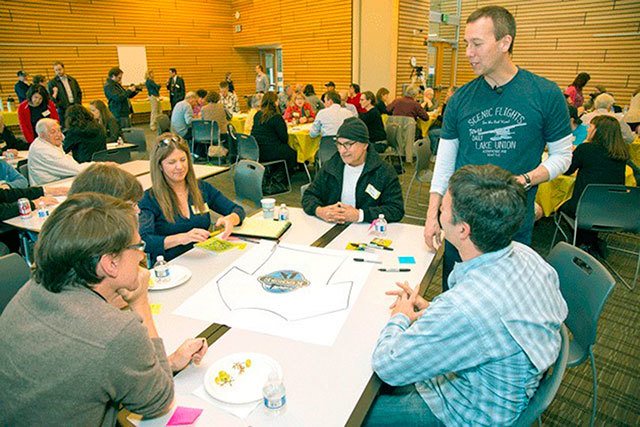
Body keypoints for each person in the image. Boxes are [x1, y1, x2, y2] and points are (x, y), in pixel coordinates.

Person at [365, 164, 567, 426]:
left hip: (465, 412)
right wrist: (436, 311)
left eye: (443, 209)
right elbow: (491, 317)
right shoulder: (525, 254)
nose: (439, 211)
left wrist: (400, 317)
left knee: (349, 411)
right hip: (509, 387)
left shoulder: (464, 309)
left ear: (463, 230)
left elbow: (387, 366)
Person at [0, 192, 209, 425]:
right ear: (110, 263)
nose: (142, 254)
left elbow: (90, 371)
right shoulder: (115, 331)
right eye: (137, 245)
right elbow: (159, 401)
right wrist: (140, 303)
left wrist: (166, 364)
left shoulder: (34, 287)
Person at [423, 6, 573, 291]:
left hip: (511, 227)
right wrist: (432, 216)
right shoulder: (460, 99)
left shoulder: (545, 94)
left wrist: (526, 180)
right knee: (455, 300)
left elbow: (563, 156)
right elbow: (444, 164)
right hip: (461, 227)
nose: (468, 52)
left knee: (503, 302)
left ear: (505, 43)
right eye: (466, 43)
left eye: (477, 44)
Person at [139, 134, 245, 261]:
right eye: (172, 162)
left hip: (204, 258)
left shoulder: (202, 188)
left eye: (183, 160)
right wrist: (182, 238)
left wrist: (231, 219)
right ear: (160, 166)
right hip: (172, 266)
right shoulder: (149, 199)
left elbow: (237, 209)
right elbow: (144, 241)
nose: (180, 167)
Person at [302, 117, 404, 223]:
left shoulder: (384, 172)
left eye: (348, 144)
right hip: (333, 229)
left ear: (365, 144)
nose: (342, 151)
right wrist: (320, 211)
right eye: (339, 144)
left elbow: (396, 209)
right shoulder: (331, 167)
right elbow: (309, 196)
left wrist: (360, 215)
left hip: (368, 231)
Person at [561, 115, 630, 256]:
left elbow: (567, 171)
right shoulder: (622, 153)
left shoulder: (586, 149)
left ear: (597, 131)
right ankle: (590, 242)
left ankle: (583, 244)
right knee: (594, 202)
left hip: (583, 208)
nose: (587, 129)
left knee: (562, 205)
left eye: (590, 127)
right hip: (613, 210)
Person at [28, 118, 92, 186]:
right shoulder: (42, 150)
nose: (58, 134)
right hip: (49, 186)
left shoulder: (50, 142)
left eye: (59, 130)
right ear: (42, 135)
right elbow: (75, 169)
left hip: (60, 180)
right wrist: (98, 165)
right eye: (53, 132)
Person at [250, 92, 297, 172]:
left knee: (284, 149)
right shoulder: (276, 117)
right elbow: (284, 138)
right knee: (292, 153)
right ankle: (281, 176)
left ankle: (274, 172)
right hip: (270, 151)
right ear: (275, 102)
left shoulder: (257, 115)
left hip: (257, 150)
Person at [47, 61, 83, 129]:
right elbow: (51, 99)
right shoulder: (52, 83)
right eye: (56, 70)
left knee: (77, 125)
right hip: (63, 109)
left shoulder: (72, 80)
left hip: (74, 105)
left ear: (63, 68)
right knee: (66, 126)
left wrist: (78, 103)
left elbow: (79, 92)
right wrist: (59, 105)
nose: (58, 72)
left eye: (59, 69)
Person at [427, 86, 458, 155]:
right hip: (449, 127)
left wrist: (438, 116)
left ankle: (436, 154)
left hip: (452, 130)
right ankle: (438, 149)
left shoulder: (453, 104)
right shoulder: (452, 102)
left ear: (453, 93)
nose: (447, 93)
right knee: (433, 128)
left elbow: (444, 118)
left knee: (431, 133)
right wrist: (445, 103)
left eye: (448, 92)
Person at [200, 91, 232, 158]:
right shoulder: (222, 107)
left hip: (209, 134)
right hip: (222, 133)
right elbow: (230, 116)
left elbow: (202, 121)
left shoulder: (203, 109)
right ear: (218, 98)